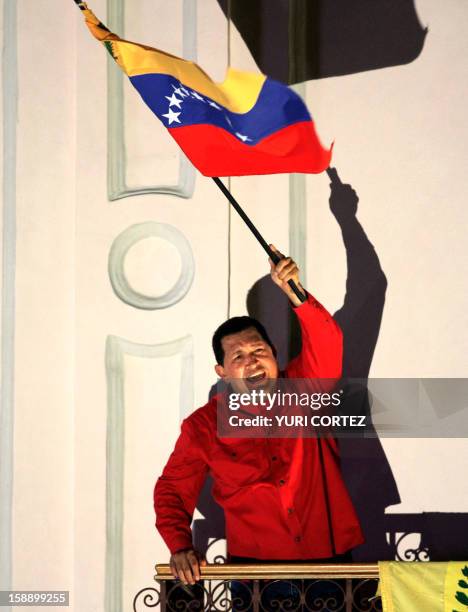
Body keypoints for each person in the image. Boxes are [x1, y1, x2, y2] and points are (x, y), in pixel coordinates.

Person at [154, 245, 364, 592]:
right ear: (222, 371)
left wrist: (295, 292)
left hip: (331, 569)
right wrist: (179, 545)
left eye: (258, 351)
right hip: (255, 580)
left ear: (275, 357)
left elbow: (327, 344)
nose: (251, 362)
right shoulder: (203, 426)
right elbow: (172, 490)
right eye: (238, 356)